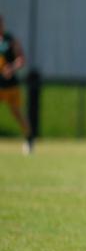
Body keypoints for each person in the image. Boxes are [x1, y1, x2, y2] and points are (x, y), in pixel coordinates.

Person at [0, 15, 33, 154]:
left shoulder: (11, 40)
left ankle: (29, 139)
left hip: (11, 85)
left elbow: (21, 59)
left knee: (17, 113)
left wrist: (11, 68)